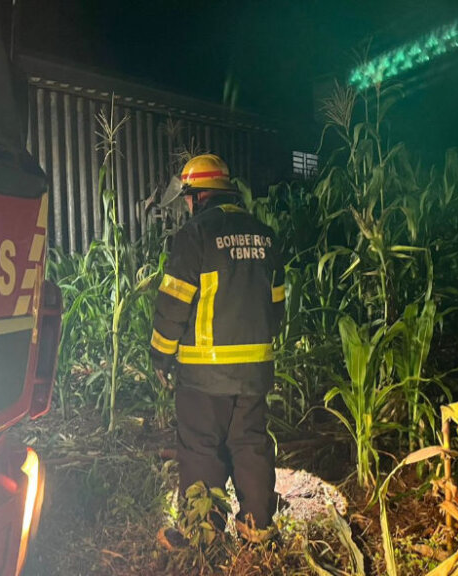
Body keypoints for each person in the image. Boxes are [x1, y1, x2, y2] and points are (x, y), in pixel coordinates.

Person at [151, 154, 285, 547]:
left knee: (200, 449)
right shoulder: (265, 236)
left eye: (188, 198)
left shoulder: (195, 235)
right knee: (250, 444)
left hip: (204, 374)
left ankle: (201, 532)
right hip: (254, 372)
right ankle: (258, 525)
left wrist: (161, 355)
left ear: (197, 196)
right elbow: (277, 306)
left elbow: (173, 304)